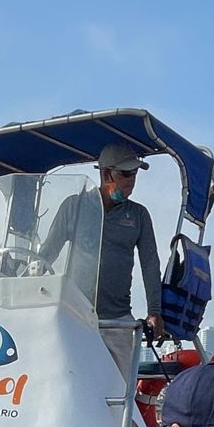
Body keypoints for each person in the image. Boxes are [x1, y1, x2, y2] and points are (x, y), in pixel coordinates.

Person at [38, 142, 165, 343]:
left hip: (118, 321)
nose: (131, 181)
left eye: (134, 174)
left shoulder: (139, 215)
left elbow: (150, 264)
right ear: (106, 174)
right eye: (125, 174)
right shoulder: (74, 206)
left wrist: (154, 311)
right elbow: (46, 255)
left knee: (121, 375)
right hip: (74, 315)